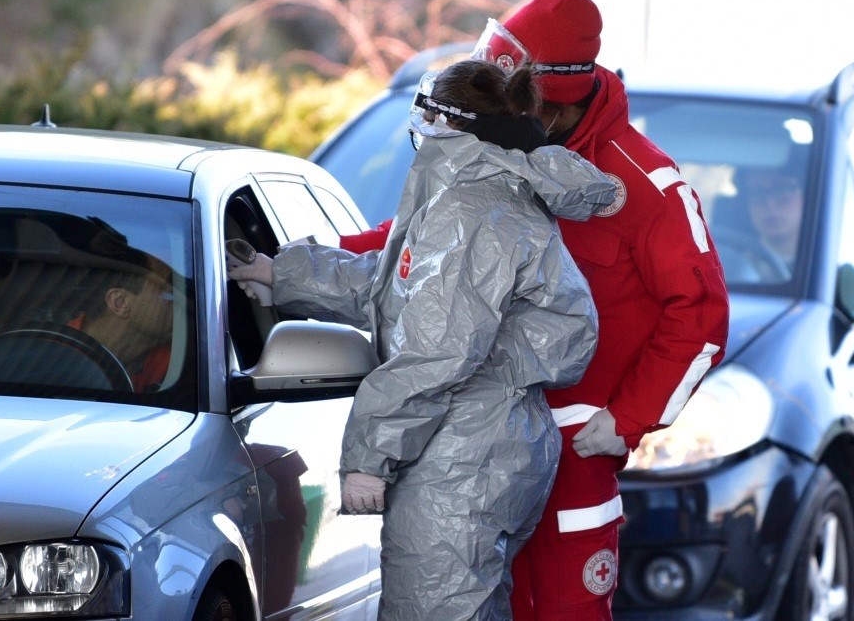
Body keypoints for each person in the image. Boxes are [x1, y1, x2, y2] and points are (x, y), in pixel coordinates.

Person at [339, 0, 731, 620]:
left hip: (573, 453)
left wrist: (626, 420)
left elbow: (702, 316)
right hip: (466, 449)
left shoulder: (645, 185)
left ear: (551, 103)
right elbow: (412, 241)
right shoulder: (495, 156)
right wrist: (303, 259)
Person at [229, 58, 615, 619]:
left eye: (426, 112)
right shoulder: (475, 193)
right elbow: (402, 289)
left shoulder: (472, 209)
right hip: (483, 447)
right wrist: (283, 274)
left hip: (461, 462)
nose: (418, 124)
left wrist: (370, 453)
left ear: (448, 123)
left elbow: (436, 351)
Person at [67, 254, 174, 393]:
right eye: (169, 294)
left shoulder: (175, 363)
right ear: (120, 303)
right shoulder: (52, 352)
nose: (184, 304)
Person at [738, 163, 805, 274]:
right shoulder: (730, 267)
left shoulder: (827, 270)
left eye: (783, 190)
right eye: (757, 193)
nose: (770, 204)